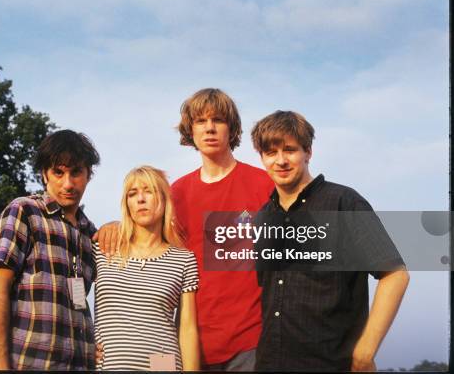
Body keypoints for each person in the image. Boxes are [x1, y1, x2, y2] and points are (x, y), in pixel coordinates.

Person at [96, 88, 274, 370]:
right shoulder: (176, 194)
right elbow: (147, 236)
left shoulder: (264, 185)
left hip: (251, 342)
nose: (210, 128)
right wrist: (115, 224)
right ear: (190, 131)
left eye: (218, 119)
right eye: (201, 121)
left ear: (232, 128)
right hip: (188, 342)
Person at [250, 110, 410, 371]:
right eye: (271, 152)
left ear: (308, 152)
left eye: (290, 150)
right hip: (269, 362)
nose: (280, 161)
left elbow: (395, 274)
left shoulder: (343, 202)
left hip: (331, 363)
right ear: (262, 157)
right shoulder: (263, 218)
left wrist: (366, 351)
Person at [0, 129, 101, 370]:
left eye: (76, 172)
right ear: (44, 175)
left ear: (89, 174)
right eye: (58, 172)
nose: (68, 183)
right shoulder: (24, 211)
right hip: (29, 362)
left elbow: (86, 303)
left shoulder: (91, 235)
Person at [93, 166, 200, 370]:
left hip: (163, 364)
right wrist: (81, 343)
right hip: (110, 366)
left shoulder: (183, 259)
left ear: (164, 199)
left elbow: (187, 329)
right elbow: (74, 302)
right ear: (127, 204)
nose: (140, 199)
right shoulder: (103, 249)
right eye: (132, 194)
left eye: (148, 191)